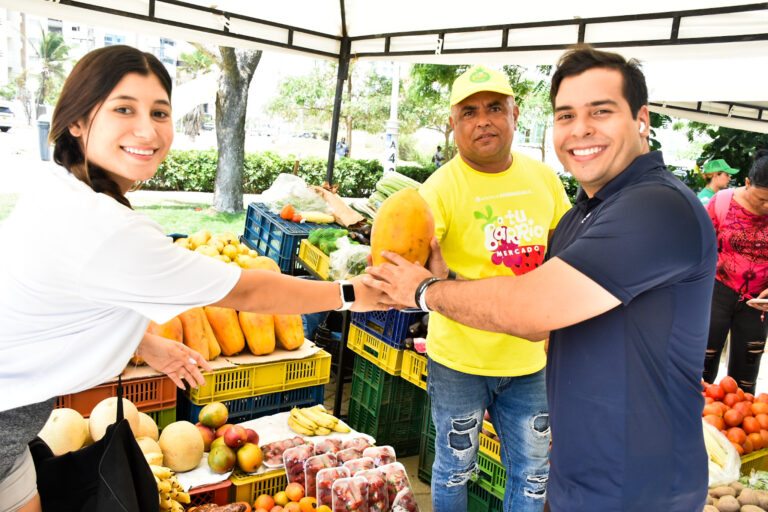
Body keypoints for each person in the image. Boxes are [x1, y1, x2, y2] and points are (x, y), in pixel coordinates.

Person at [0, 45, 383, 512]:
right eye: (124, 108)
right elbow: (249, 289)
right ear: (77, 121)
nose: (148, 129)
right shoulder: (105, 226)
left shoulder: (58, 185)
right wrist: (351, 293)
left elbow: (66, 297)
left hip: (12, 437)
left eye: (160, 112)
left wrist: (144, 342)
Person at [364, 45, 716, 511]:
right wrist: (433, 283)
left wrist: (427, 291)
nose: (581, 129)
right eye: (566, 115)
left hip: (638, 489)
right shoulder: (587, 214)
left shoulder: (657, 208)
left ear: (641, 119)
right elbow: (538, 322)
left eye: (601, 111)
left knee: (524, 474)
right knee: (461, 469)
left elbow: (531, 306)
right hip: (574, 475)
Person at [416, 65, 570, 512]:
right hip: (459, 361)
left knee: (533, 474)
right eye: (469, 112)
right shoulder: (437, 191)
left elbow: (563, 255)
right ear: (453, 123)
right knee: (453, 469)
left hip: (530, 362)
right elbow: (413, 267)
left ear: (515, 114)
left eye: (494, 108)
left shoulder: (545, 179)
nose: (482, 120)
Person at [702, 149, 768, 394]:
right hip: (716, 293)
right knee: (702, 364)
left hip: (758, 303)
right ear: (748, 183)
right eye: (761, 199)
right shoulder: (721, 202)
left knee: (746, 372)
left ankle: (739, 423)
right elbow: (699, 247)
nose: (766, 206)